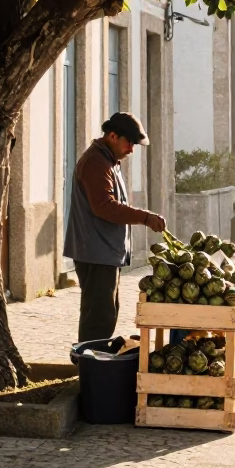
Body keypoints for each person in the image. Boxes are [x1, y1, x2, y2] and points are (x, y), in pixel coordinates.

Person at [64, 112, 166, 343]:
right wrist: (145, 218)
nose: (131, 149)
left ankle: (91, 363)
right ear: (112, 136)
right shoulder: (95, 163)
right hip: (95, 252)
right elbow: (104, 207)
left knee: (105, 313)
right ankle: (90, 367)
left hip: (104, 252)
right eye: (129, 142)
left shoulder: (109, 161)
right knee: (98, 318)